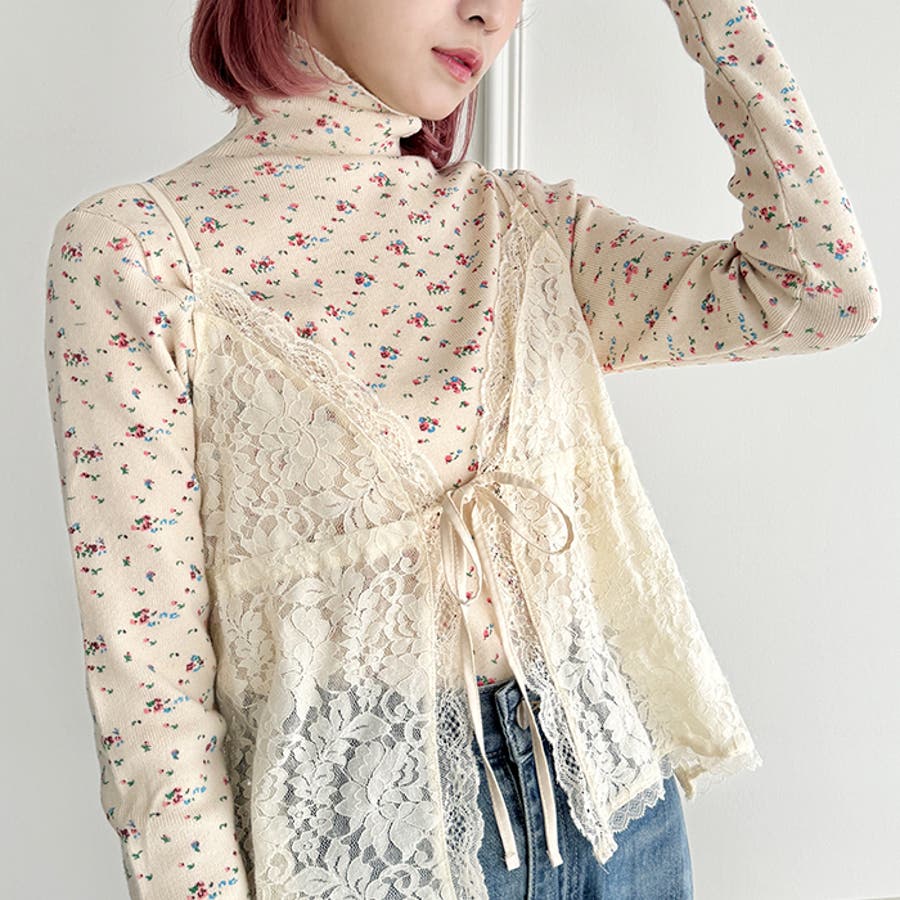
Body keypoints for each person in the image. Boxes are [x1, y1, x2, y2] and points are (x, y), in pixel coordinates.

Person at [42, 1, 881, 898]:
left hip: (619, 810)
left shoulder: (523, 227)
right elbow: (150, 680)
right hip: (365, 844)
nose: (491, 13)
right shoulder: (139, 254)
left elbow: (819, 292)